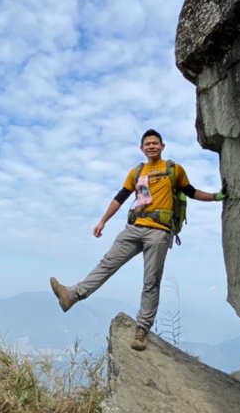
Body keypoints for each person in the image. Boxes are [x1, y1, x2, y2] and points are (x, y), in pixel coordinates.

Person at [50, 129, 224, 351]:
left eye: (155, 143)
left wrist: (216, 196)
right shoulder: (137, 172)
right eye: (147, 143)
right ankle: (72, 296)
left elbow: (191, 192)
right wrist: (102, 221)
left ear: (162, 146)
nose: (151, 146)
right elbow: (120, 197)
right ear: (142, 148)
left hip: (158, 232)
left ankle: (142, 330)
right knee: (107, 264)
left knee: (151, 282)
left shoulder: (173, 170)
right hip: (133, 228)